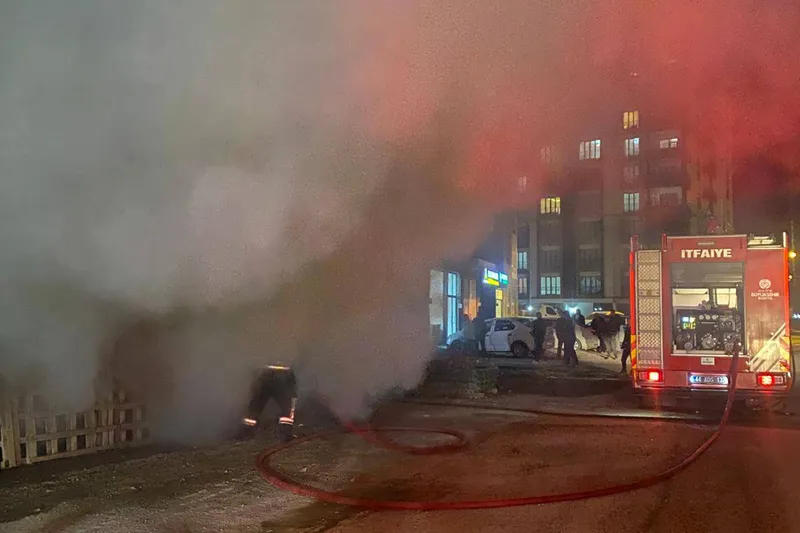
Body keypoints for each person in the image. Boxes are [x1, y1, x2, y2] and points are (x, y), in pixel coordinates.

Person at [238, 364, 298, 442]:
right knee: (287, 407)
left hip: (264, 374)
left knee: (254, 407)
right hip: (283, 375)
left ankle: (246, 433)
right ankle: (285, 434)